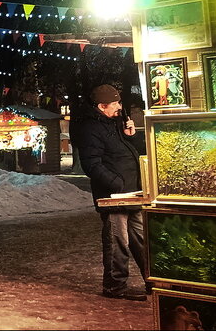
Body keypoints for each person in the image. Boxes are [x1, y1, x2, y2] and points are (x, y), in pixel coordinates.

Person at [70, 83, 149, 301]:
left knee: (143, 240)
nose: (119, 107)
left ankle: (154, 283)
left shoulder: (114, 124)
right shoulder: (91, 129)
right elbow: (92, 165)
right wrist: (116, 184)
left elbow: (127, 152)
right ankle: (115, 286)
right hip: (113, 197)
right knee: (118, 243)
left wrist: (130, 135)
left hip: (132, 193)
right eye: (115, 104)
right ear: (102, 106)